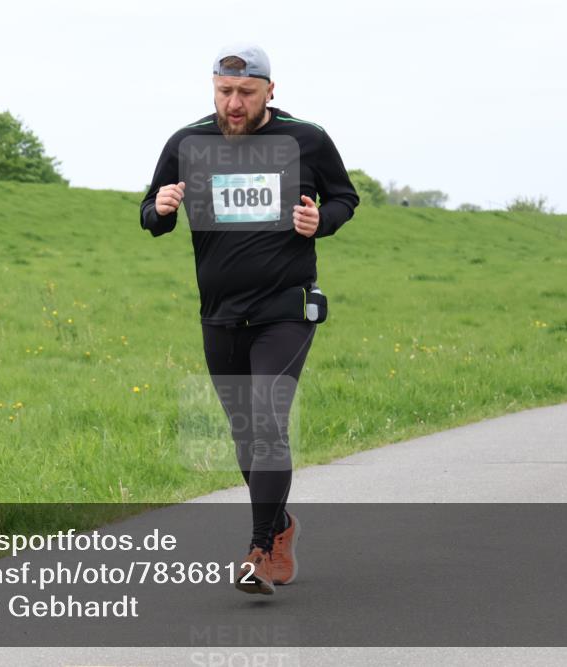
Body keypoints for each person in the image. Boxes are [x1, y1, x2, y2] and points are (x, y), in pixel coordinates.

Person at [139, 43, 359, 595]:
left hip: (286, 308)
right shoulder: (188, 142)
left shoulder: (306, 138)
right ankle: (280, 525)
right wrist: (160, 209)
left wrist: (321, 220)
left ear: (269, 91)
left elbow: (344, 198)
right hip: (219, 313)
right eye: (224, 91)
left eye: (245, 92)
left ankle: (260, 550)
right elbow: (150, 213)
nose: (233, 103)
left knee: (267, 420)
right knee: (245, 431)